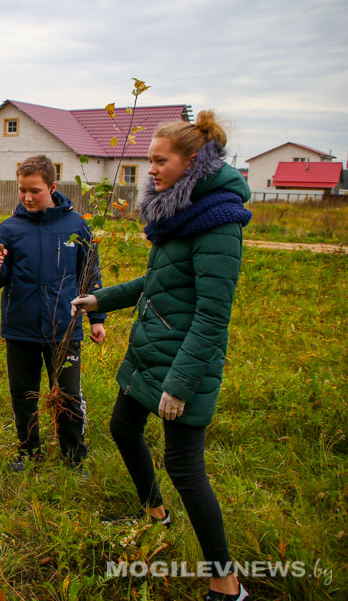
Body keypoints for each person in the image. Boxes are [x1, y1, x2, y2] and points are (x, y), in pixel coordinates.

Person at [72, 111, 250, 601]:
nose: (150, 169)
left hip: (183, 363)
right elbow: (158, 282)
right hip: (152, 349)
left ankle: (227, 582)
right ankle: (155, 512)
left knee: (185, 468)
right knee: (122, 427)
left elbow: (213, 318)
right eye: (149, 160)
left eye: (159, 160)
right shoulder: (179, 213)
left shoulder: (218, 224)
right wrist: (100, 300)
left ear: (192, 162)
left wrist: (180, 384)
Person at [0, 155, 106, 472]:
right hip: (20, 328)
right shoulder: (10, 228)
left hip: (64, 328)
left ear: (52, 188)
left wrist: (96, 319)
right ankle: (28, 452)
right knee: (23, 395)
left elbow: (89, 274)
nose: (27, 197)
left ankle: (74, 457)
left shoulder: (77, 226)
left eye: (34, 190)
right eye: (22, 190)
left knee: (68, 395)